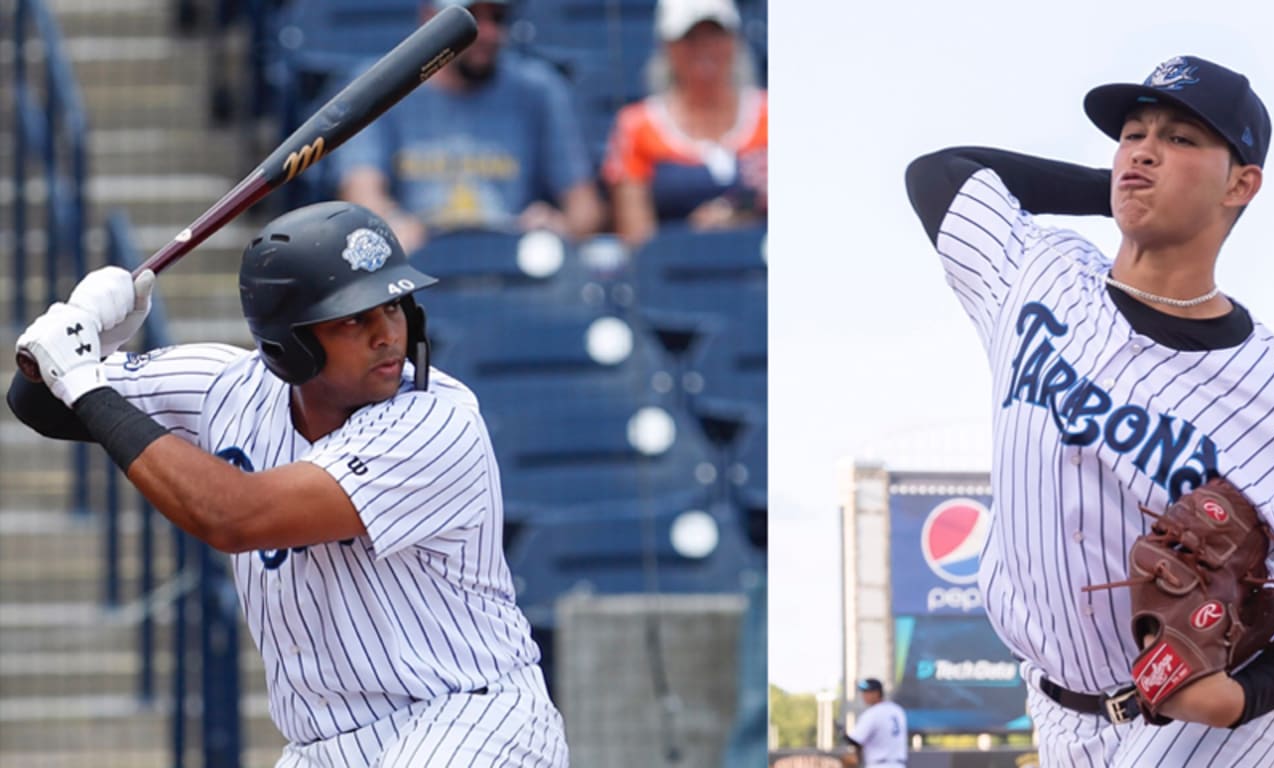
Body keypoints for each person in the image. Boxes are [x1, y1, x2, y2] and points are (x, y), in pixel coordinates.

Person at [905, 56, 1274, 766]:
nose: (1144, 149)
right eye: (1132, 134)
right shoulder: (1039, 274)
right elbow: (941, 170)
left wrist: (1237, 701)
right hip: (1057, 709)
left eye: (1181, 139)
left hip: (1205, 727)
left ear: (1241, 184)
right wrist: (1118, 190)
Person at [9, 201, 569, 767]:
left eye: (394, 306)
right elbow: (44, 406)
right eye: (353, 317)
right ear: (289, 343)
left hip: (471, 717)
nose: (386, 336)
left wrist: (84, 380)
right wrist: (81, 340)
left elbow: (236, 517)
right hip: (324, 747)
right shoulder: (227, 386)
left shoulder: (438, 421)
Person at [335, 0, 603, 251]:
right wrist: (392, 222)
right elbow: (360, 192)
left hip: (509, 268)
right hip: (417, 269)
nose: (487, 33)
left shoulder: (539, 89)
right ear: (429, 19)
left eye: (497, 18)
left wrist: (557, 226)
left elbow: (585, 209)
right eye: (471, 18)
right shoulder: (381, 84)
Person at [602, 0, 768, 246]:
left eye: (715, 35)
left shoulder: (772, 115)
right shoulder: (635, 126)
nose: (704, 48)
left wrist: (740, 218)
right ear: (668, 47)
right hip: (676, 272)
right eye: (690, 38)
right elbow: (638, 242)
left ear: (734, 41)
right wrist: (693, 236)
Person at [842, 678, 907, 768]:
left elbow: (855, 740)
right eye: (863, 692)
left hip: (879, 764)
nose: (864, 696)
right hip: (899, 764)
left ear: (876, 693)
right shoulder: (897, 710)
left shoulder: (873, 713)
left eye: (867, 692)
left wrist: (843, 734)